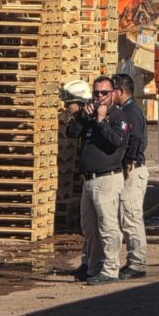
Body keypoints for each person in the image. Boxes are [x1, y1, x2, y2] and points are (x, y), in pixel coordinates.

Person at [65, 75, 129, 285]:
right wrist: (84, 116)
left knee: (108, 226)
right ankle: (93, 267)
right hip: (89, 180)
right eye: (96, 93)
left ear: (112, 94)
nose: (100, 97)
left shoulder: (118, 117)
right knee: (90, 227)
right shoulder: (89, 115)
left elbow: (116, 142)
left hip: (107, 179)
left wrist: (101, 122)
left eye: (104, 93)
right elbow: (71, 132)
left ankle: (110, 269)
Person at [112, 73, 148, 279]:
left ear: (121, 91)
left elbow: (135, 139)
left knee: (131, 217)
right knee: (125, 216)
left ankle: (138, 264)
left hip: (133, 170)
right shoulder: (125, 110)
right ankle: (132, 261)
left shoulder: (131, 112)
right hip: (129, 168)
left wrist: (129, 161)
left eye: (112, 91)